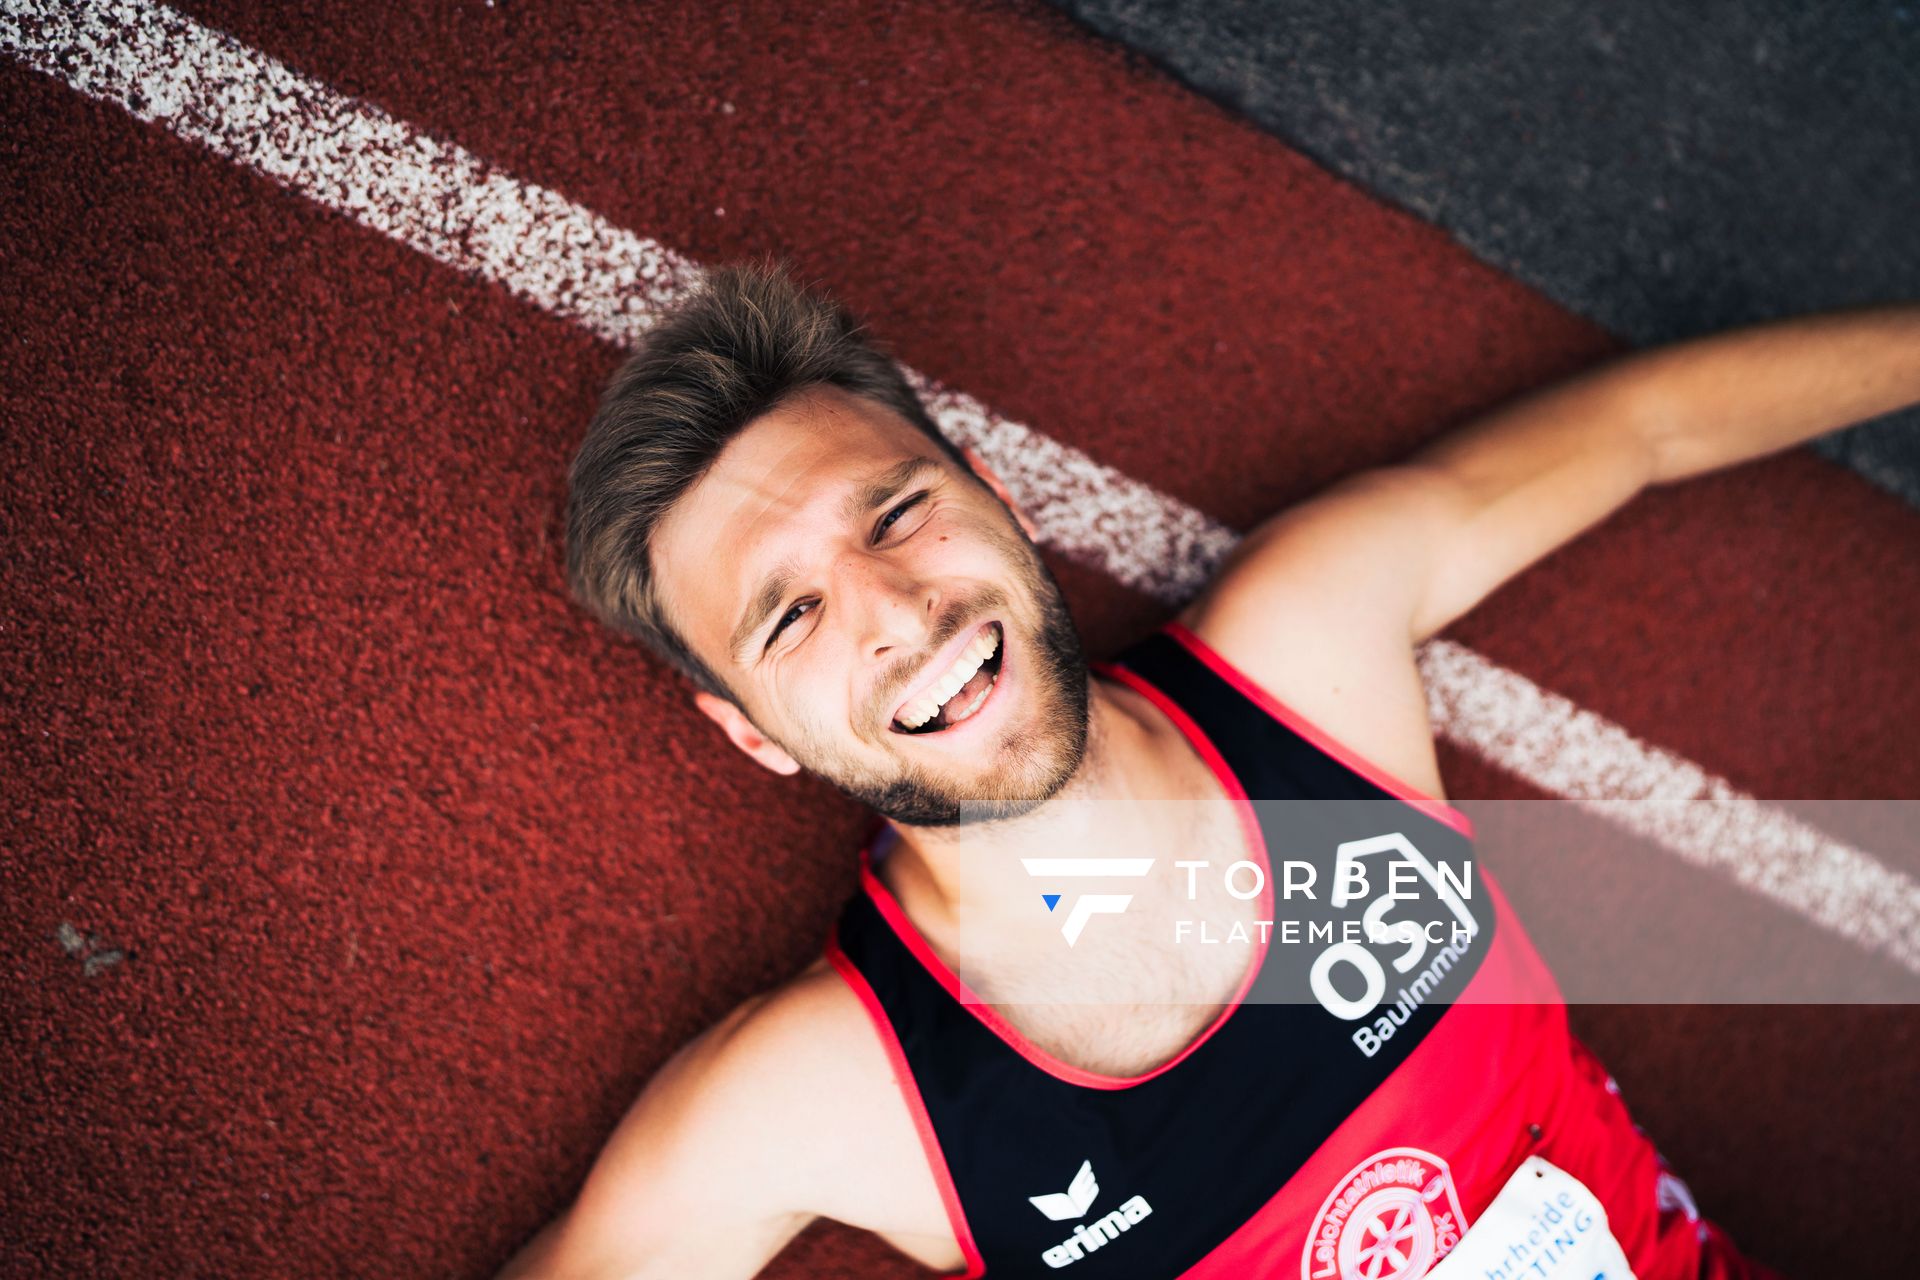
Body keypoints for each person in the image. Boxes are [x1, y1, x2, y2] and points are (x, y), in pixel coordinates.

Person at [500, 257, 1917, 1279]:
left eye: (898, 514)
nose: (895, 610)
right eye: (790, 616)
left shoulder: (1309, 659)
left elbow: (1639, 432)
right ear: (752, 729)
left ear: (994, 495)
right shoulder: (827, 1096)